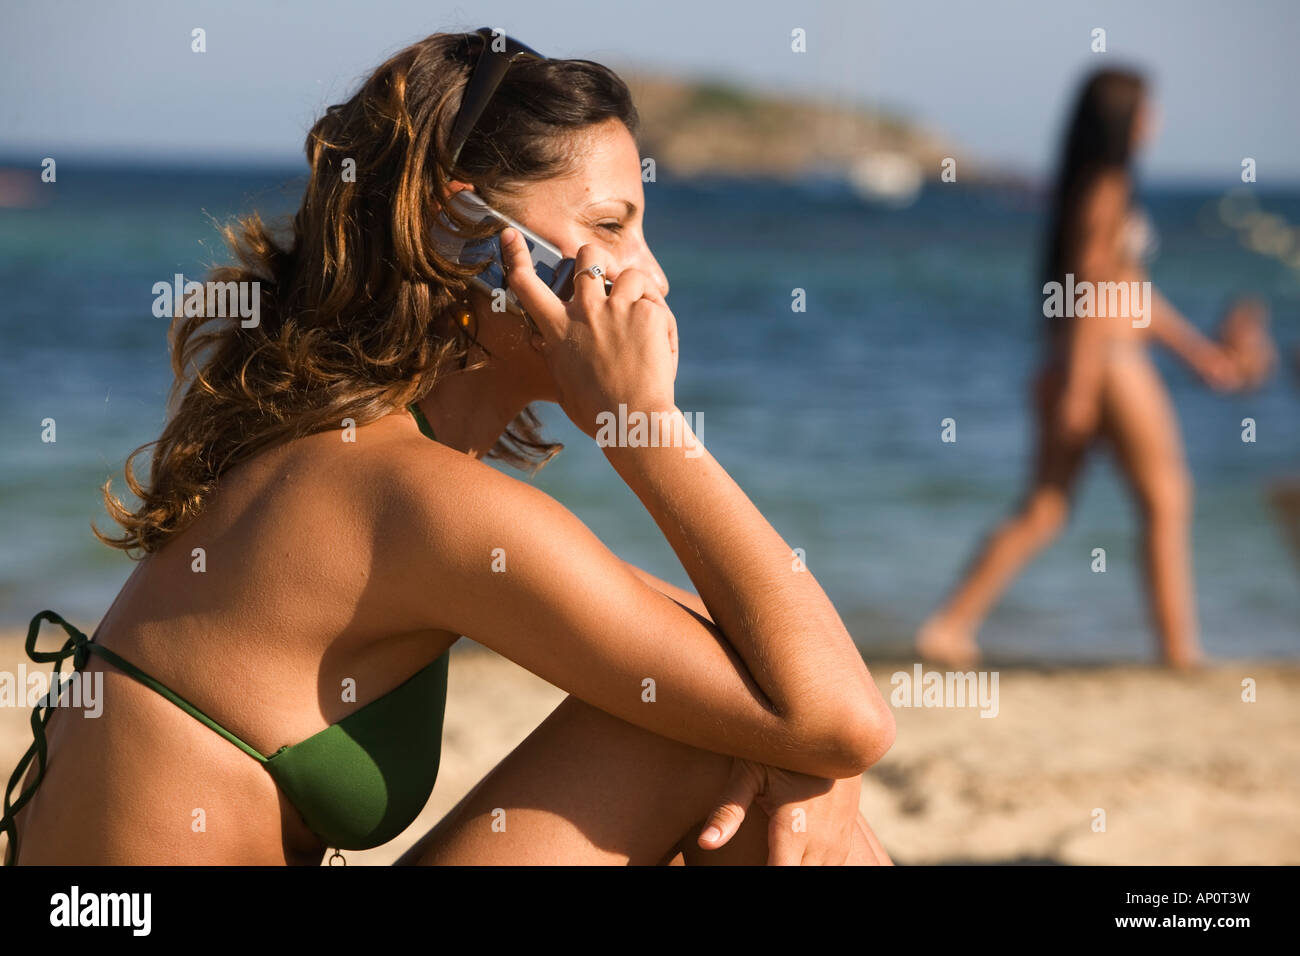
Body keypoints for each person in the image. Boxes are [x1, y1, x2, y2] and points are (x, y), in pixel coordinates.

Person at [2, 29, 895, 866]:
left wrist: (810, 757)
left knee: (742, 732)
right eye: (612, 226)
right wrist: (646, 428)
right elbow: (840, 714)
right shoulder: (404, 495)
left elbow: (772, 665)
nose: (652, 276)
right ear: (462, 236)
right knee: (723, 742)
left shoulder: (371, 463)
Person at [915, 68, 1268, 671]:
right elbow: (1088, 292)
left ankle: (948, 628)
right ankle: (1180, 653)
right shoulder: (1107, 188)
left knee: (1046, 508)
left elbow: (1127, 291)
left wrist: (1195, 353)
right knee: (1167, 500)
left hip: (1086, 360)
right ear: (1124, 119)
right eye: (1147, 110)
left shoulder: (1092, 188)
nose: (1155, 122)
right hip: (1108, 363)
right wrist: (1078, 386)